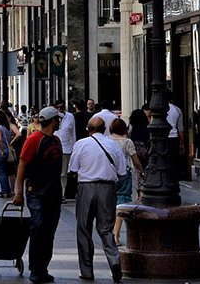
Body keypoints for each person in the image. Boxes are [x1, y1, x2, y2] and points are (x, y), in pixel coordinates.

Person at [69, 116, 126, 283]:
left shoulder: (81, 144)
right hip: (107, 189)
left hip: (86, 188)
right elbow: (122, 173)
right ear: (105, 130)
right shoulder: (113, 145)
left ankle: (86, 271)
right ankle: (114, 262)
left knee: (84, 229)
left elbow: (73, 169)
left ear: (88, 129)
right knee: (106, 229)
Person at [13, 106, 64, 284]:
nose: (60, 122)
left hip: (53, 193)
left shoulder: (56, 140)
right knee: (39, 227)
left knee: (49, 231)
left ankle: (43, 268)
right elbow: (22, 164)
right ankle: (36, 268)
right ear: (53, 121)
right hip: (36, 192)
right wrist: (19, 192)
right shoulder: (34, 139)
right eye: (58, 119)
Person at [109, 118, 143, 246]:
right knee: (122, 202)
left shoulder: (107, 140)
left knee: (111, 202)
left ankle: (110, 232)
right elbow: (135, 160)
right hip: (124, 174)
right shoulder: (127, 142)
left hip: (110, 174)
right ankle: (116, 234)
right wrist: (141, 171)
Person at [54, 99, 75, 199]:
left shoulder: (70, 117)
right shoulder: (53, 116)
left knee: (63, 173)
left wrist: (74, 147)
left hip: (66, 148)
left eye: (61, 107)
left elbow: (73, 133)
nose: (60, 109)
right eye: (58, 107)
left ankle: (62, 193)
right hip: (54, 148)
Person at [0, 109, 14, 198]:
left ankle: (4, 191)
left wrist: (1, 150)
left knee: (1, 172)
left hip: (0, 152)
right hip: (7, 151)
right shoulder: (7, 128)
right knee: (6, 171)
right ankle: (8, 190)